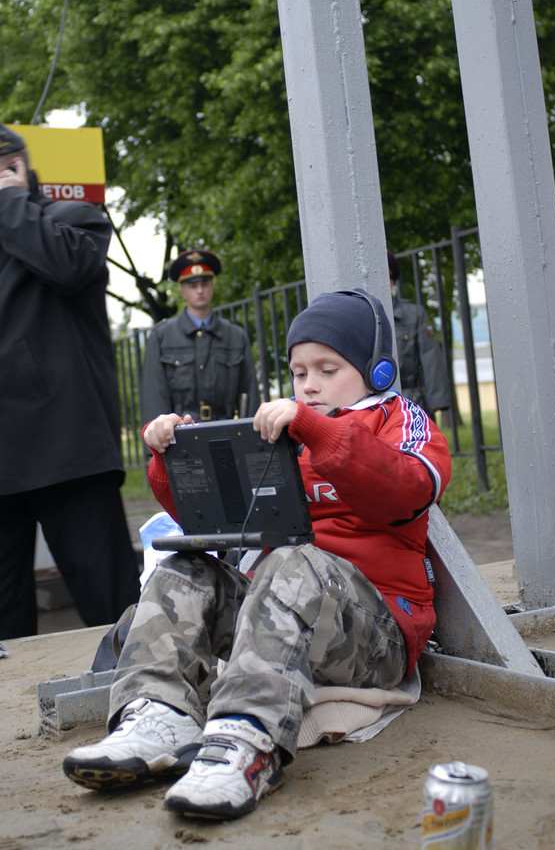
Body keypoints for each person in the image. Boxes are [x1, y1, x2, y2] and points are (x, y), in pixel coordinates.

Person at [63, 288, 451, 821]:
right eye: (298, 372)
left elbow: (406, 488)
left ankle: (245, 742)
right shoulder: (285, 429)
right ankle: (158, 715)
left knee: (293, 559)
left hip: (374, 633)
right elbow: (216, 521)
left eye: (327, 368)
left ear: (376, 371)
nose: (309, 384)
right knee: (184, 569)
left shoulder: (398, 420)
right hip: (285, 614)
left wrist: (316, 429)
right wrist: (169, 458)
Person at [0, 121, 140, 643]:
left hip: (64, 457)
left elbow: (67, 266)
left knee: (112, 611)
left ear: (16, 168)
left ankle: (154, 705)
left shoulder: (72, 219)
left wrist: (12, 201)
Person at [139, 248, 260, 426]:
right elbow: (154, 398)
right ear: (182, 292)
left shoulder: (235, 336)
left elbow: (250, 397)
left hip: (227, 434)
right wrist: (156, 448)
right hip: (179, 438)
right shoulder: (162, 337)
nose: (200, 290)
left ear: (212, 287)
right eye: (192, 286)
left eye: (205, 283)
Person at [388, 250, 451, 418]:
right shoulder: (359, 316)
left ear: (392, 281)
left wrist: (437, 401)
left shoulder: (413, 314)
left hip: (410, 401)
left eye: (387, 277)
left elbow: (430, 357)